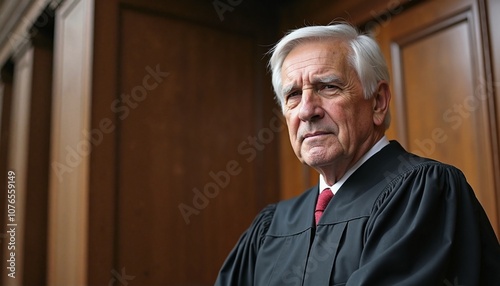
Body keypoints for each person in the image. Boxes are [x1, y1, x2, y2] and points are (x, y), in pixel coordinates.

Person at [215, 22, 500, 285]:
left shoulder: (425, 193)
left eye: (327, 87)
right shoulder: (270, 227)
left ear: (377, 102)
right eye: (293, 95)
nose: (306, 110)